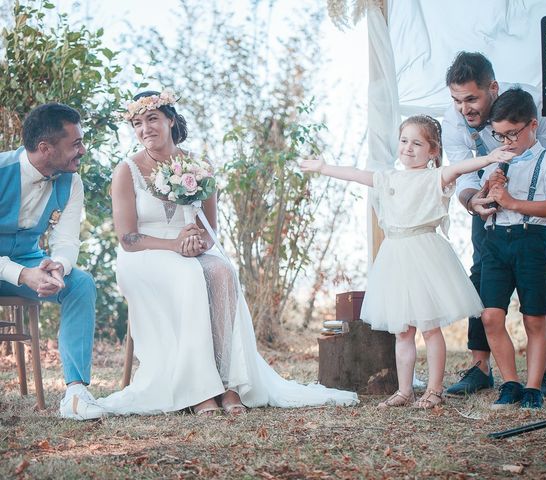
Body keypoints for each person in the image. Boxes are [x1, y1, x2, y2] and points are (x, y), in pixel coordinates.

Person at [97, 90, 358, 416]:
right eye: (137, 123)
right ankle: (199, 391)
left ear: (170, 120)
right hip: (145, 255)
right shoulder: (127, 170)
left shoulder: (199, 166)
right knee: (190, 275)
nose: (145, 128)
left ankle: (230, 383)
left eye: (152, 119)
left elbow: (210, 230)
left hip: (191, 248)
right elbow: (128, 238)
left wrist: (197, 244)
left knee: (222, 271)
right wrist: (174, 245)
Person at [301, 115, 513, 408]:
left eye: (417, 143)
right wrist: (323, 168)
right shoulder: (388, 177)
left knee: (429, 327)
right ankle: (404, 390)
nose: (408, 148)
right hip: (395, 256)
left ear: (433, 151)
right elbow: (355, 174)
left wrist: (489, 157)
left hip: (425, 254)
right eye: (404, 141)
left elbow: (461, 167)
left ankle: (435, 390)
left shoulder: (435, 177)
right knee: (403, 331)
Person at [442, 52, 546, 397]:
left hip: (535, 210)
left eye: (471, 98)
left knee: (545, 277)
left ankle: (540, 374)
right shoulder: (454, 122)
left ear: (493, 88)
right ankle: (480, 366)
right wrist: (474, 202)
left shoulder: (534, 106)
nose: (464, 108)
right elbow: (462, 174)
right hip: (488, 207)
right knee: (481, 274)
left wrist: (523, 199)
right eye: (456, 100)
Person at [0, 103, 103, 420]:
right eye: (75, 144)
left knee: (80, 284)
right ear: (45, 148)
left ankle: (75, 394)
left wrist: (58, 265)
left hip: (31, 259)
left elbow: (68, 239)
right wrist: (22, 275)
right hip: (15, 267)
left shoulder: (71, 182)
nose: (82, 150)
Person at [480, 87, 546, 409]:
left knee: (534, 319)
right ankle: (511, 383)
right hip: (496, 242)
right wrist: (487, 193)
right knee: (490, 315)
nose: (506, 142)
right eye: (499, 135)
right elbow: (486, 201)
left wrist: (513, 202)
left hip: (531, 242)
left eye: (512, 134)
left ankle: (533, 387)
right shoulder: (500, 161)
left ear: (533, 125)